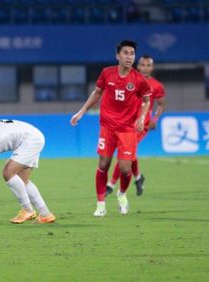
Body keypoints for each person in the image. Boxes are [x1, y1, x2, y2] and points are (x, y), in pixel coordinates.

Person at [70, 40, 151, 217]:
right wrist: (81, 111)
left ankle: (122, 194)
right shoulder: (107, 73)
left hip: (127, 130)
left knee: (125, 169)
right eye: (126, 53)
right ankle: (100, 204)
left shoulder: (139, 80)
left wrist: (142, 116)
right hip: (107, 127)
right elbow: (97, 92)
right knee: (103, 164)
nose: (129, 56)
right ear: (118, 55)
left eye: (132, 53)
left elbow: (146, 100)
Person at [106, 55, 166, 197]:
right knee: (129, 154)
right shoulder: (129, 80)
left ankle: (111, 184)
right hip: (126, 123)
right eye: (143, 65)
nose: (145, 68)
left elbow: (162, 104)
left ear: (152, 68)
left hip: (141, 125)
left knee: (125, 154)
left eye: (148, 65)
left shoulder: (157, 86)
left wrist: (155, 119)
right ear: (138, 66)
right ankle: (138, 177)